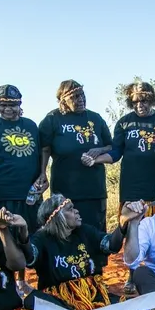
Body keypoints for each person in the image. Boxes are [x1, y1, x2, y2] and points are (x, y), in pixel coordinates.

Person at [83, 81, 155, 293]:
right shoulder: (124, 123)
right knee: (132, 233)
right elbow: (116, 152)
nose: (140, 104)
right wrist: (95, 161)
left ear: (152, 99)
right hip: (132, 189)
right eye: (135, 101)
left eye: (144, 100)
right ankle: (132, 275)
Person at [0, 85, 42, 291]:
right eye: (3, 105)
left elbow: (40, 156)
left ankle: (23, 280)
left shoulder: (31, 126)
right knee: (5, 236)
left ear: (20, 105)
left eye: (12, 105)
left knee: (28, 234)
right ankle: (8, 281)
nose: (7, 109)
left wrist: (42, 176)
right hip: (4, 191)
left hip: (30, 193)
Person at [25, 194, 131, 310]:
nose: (76, 211)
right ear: (57, 217)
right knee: (31, 300)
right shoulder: (42, 238)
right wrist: (22, 236)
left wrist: (122, 223)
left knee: (127, 307)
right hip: (59, 300)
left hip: (91, 295)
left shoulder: (85, 231)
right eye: (70, 209)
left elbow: (111, 245)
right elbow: (30, 257)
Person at [36, 80, 112, 236]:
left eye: (82, 95)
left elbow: (112, 146)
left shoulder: (95, 118)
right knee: (65, 235)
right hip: (65, 191)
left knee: (94, 235)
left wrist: (99, 150)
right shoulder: (52, 119)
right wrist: (42, 172)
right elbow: (45, 149)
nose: (80, 100)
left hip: (93, 190)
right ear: (63, 100)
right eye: (75, 97)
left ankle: (96, 261)